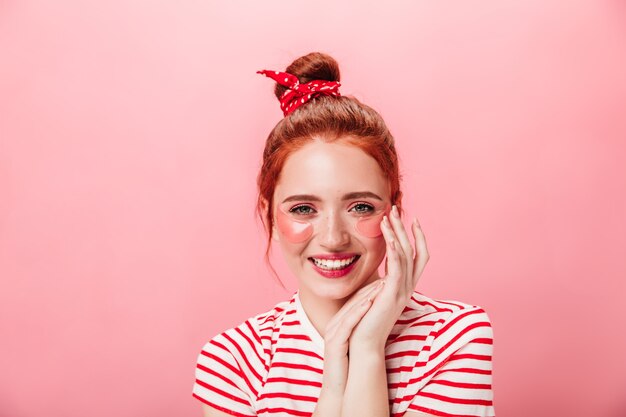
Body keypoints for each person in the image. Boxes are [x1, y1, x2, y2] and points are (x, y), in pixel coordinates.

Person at [192, 52, 495, 417]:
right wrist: (335, 377)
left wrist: (367, 347)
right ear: (269, 214)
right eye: (303, 209)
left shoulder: (453, 339)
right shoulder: (234, 361)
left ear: (394, 209)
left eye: (361, 207)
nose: (333, 238)